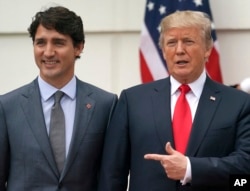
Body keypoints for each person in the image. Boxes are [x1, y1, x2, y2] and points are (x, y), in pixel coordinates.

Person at [97, 10, 250, 191]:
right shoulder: (132, 101)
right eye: (171, 43)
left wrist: (191, 168)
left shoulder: (239, 103)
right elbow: (112, 174)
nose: (179, 50)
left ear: (207, 49)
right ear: (163, 51)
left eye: (188, 41)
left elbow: (245, 168)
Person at [0, 6, 117, 191]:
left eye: (58, 43)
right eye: (40, 43)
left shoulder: (105, 105)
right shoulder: (7, 107)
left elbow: (110, 178)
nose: (48, 52)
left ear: (78, 47)